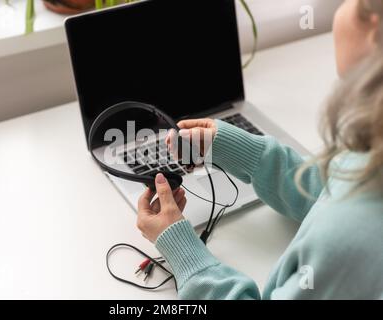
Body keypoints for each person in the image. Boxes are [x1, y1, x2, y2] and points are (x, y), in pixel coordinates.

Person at [136, 0, 383, 299]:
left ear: (374, 29)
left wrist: (185, 253)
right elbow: (334, 186)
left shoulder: (347, 244)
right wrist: (239, 150)